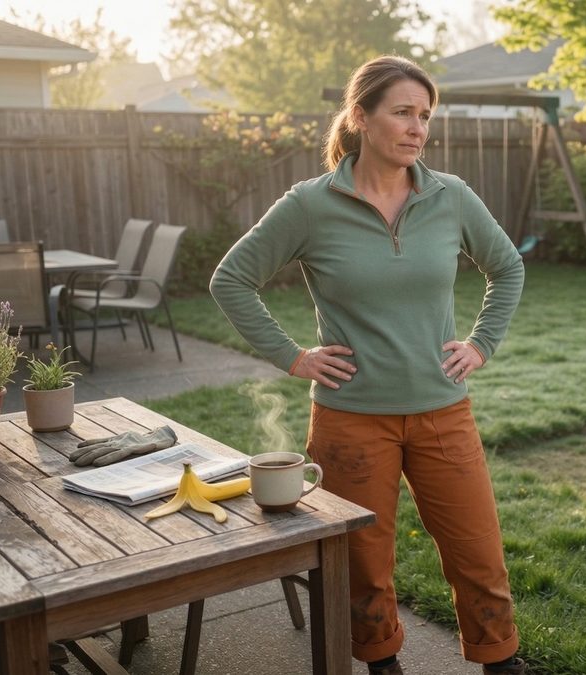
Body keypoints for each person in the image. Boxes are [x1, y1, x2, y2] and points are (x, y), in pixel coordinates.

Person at [210, 55, 526, 675]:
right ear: (360, 117)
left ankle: (501, 661)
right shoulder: (309, 205)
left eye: (425, 116)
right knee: (362, 564)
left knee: (479, 557)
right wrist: (292, 357)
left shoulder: (451, 197)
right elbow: (232, 279)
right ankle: (382, 664)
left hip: (443, 412)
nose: (418, 129)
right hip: (351, 419)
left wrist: (481, 343)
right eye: (403, 112)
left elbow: (507, 267)